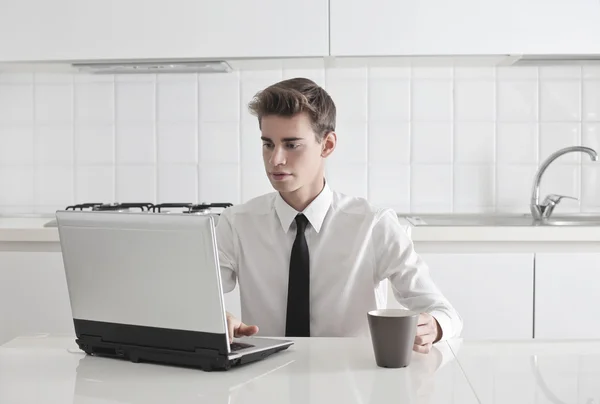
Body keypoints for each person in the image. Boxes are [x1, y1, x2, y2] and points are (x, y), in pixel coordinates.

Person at [215, 77, 462, 354]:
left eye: (292, 144)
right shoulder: (237, 224)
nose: (275, 160)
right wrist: (214, 321)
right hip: (263, 381)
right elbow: (194, 301)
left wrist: (434, 326)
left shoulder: (373, 225)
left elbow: (444, 312)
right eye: (268, 144)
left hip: (353, 381)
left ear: (327, 145)